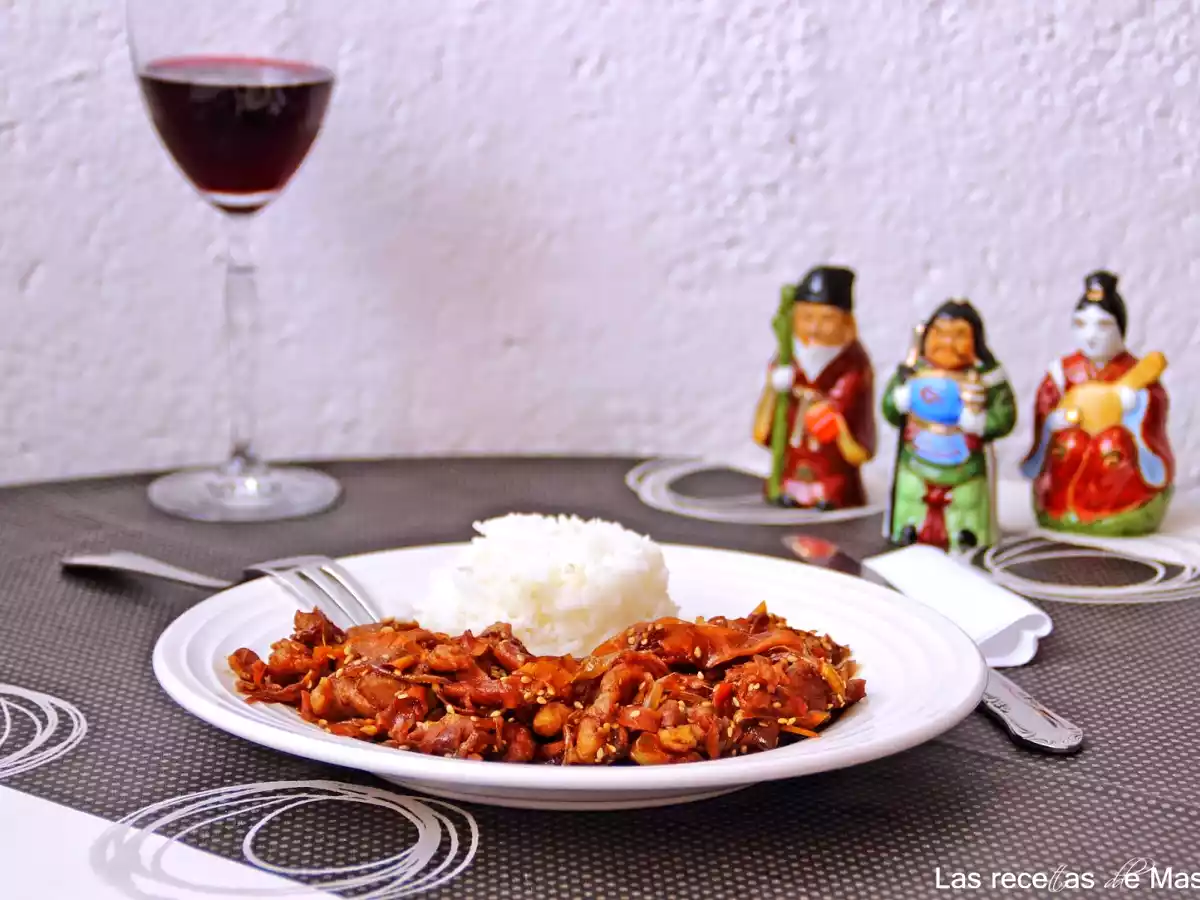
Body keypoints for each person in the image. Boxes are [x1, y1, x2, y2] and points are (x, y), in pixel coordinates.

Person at [1020, 271, 1173, 535]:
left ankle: (1115, 510)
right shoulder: (1062, 373)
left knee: (1111, 444)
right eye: (1081, 324)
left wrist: (1137, 406)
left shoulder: (1134, 373)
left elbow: (1155, 405)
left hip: (1114, 458)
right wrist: (1051, 421)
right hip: (1072, 446)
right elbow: (1045, 406)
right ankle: (1060, 507)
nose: (1090, 335)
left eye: (1103, 326)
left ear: (1120, 328)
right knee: (1068, 444)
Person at [882, 299, 1016, 551]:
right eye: (939, 334)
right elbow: (889, 409)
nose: (946, 343)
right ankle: (909, 531)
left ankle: (966, 539)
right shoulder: (912, 370)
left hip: (965, 464)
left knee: (966, 503)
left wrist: (981, 422)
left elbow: (1005, 416)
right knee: (911, 496)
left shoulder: (989, 378)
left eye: (958, 336)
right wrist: (898, 400)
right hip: (916, 459)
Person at [752, 266, 875, 509]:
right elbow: (766, 425)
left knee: (834, 483)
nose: (815, 328)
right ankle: (787, 488)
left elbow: (850, 401)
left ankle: (829, 494)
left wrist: (829, 414)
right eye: (807, 318)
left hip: (831, 466)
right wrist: (774, 387)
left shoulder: (853, 365)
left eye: (826, 319)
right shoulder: (787, 359)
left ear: (848, 323)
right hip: (793, 460)